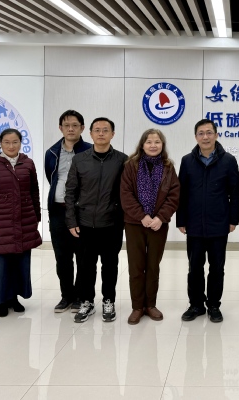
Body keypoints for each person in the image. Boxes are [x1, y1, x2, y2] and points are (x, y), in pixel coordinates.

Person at [177, 119, 239, 323]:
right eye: (201, 133)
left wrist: (233, 219)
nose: (205, 137)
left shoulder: (228, 160)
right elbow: (181, 193)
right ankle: (196, 304)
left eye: (209, 133)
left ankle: (213, 305)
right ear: (196, 137)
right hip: (194, 223)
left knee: (217, 268)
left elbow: (235, 193)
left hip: (218, 223)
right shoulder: (187, 160)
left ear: (216, 135)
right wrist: (181, 219)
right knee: (194, 267)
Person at [64, 117, 127, 323]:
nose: (101, 133)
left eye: (105, 130)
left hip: (111, 224)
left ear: (112, 134)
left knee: (110, 266)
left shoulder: (122, 160)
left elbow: (126, 193)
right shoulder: (79, 159)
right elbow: (70, 192)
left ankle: (109, 300)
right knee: (86, 266)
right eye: (97, 130)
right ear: (90, 133)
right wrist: (71, 221)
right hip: (84, 223)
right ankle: (87, 301)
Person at [0, 129, 42, 317]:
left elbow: (34, 191)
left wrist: (36, 215)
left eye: (15, 142)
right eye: (7, 142)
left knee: (19, 263)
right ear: (0, 143)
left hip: (24, 220)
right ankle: (2, 301)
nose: (11, 146)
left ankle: (14, 298)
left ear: (21, 143)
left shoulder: (28, 163)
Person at [120, 129, 180, 325]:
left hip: (158, 225)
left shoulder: (168, 167)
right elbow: (126, 194)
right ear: (142, 145)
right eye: (149, 142)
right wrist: (142, 216)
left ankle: (150, 305)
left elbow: (174, 195)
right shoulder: (131, 165)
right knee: (136, 267)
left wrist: (160, 217)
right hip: (134, 223)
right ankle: (137, 307)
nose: (153, 145)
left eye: (157, 142)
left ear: (162, 145)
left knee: (153, 266)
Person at [44, 110, 91, 313]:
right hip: (58, 210)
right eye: (66, 125)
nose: (70, 129)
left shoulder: (89, 150)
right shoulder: (52, 152)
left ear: (82, 128)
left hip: (81, 211)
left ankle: (80, 296)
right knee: (62, 257)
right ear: (60, 128)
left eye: (75, 125)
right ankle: (66, 296)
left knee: (83, 256)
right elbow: (51, 177)